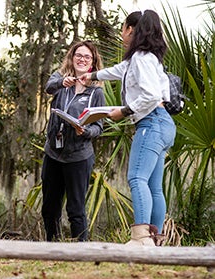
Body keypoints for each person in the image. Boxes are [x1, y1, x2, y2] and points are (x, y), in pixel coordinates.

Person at [79, 10, 176, 246]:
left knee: (136, 178)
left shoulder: (141, 58)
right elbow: (117, 71)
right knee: (154, 187)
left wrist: (123, 111)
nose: (122, 34)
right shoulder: (147, 58)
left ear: (130, 30)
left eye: (123, 29)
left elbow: (151, 96)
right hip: (163, 124)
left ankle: (141, 239)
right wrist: (89, 76)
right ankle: (155, 240)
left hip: (151, 122)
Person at [42, 40, 105, 242]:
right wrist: (62, 82)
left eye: (87, 57)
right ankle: (53, 246)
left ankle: (82, 251)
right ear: (72, 57)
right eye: (79, 55)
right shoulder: (60, 78)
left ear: (93, 63)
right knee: (49, 208)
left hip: (78, 157)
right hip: (54, 153)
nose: (82, 59)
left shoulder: (96, 92)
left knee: (76, 210)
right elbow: (48, 88)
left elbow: (99, 127)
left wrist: (85, 131)